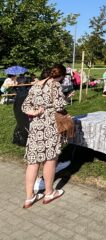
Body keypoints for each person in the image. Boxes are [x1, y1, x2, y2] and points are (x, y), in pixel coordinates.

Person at [21, 64, 68, 208]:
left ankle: (29, 197)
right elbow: (60, 106)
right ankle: (49, 193)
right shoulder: (56, 85)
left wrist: (35, 112)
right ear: (61, 76)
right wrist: (66, 98)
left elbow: (25, 106)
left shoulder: (35, 85)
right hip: (50, 126)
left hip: (36, 126)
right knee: (50, 159)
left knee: (33, 161)